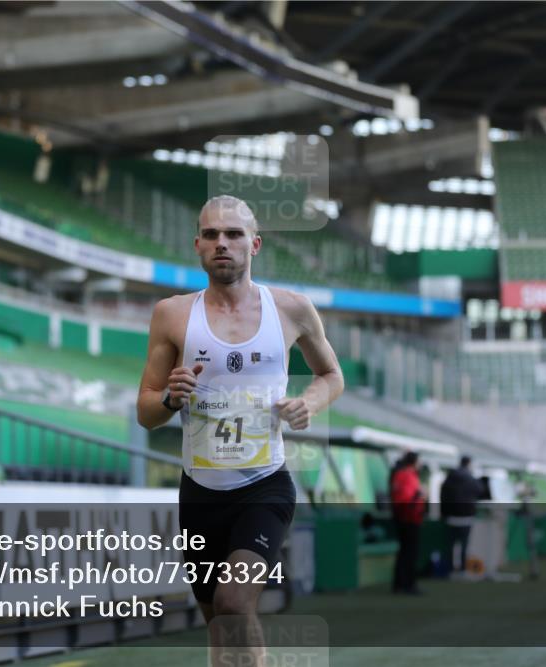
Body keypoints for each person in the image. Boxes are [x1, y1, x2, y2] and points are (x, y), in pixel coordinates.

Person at [136, 195, 344, 665]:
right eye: (211, 234)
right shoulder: (172, 314)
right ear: (197, 245)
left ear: (255, 244)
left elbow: (332, 375)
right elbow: (146, 411)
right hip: (200, 492)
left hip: (264, 485)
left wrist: (308, 403)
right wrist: (169, 398)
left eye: (233, 234)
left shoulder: (291, 309)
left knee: (233, 602)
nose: (222, 243)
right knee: (219, 626)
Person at [440, 455, 483, 574]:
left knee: (450, 545)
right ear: (469, 464)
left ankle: (449, 569)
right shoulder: (471, 478)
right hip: (466, 517)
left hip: (451, 517)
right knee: (464, 545)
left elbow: (443, 496)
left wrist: (443, 514)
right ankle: (462, 570)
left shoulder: (450, 477)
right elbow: (480, 490)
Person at [390, 451, 426, 595]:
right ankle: (408, 584)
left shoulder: (399, 474)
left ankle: (400, 584)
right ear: (414, 462)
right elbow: (407, 499)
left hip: (403, 518)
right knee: (410, 553)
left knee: (404, 552)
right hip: (410, 519)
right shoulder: (409, 476)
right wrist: (420, 495)